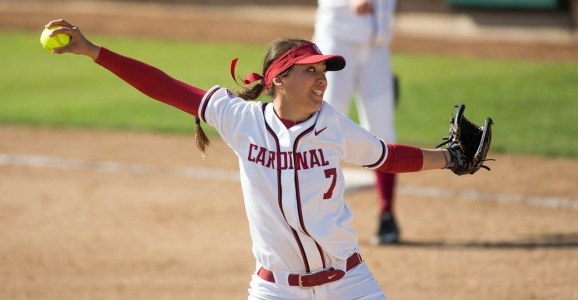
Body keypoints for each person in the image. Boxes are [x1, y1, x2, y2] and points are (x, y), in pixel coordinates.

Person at [45, 19, 458, 300]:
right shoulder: (238, 118)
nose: (322, 80)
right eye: (310, 71)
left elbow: (387, 157)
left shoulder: (334, 125)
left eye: (323, 72)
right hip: (275, 289)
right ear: (279, 78)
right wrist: (94, 50)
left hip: (350, 282)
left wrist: (451, 157)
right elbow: (162, 85)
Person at [313, 0, 401, 245]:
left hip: (378, 43)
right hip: (338, 37)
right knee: (323, 124)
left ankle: (386, 214)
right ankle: (315, 216)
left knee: (382, 129)